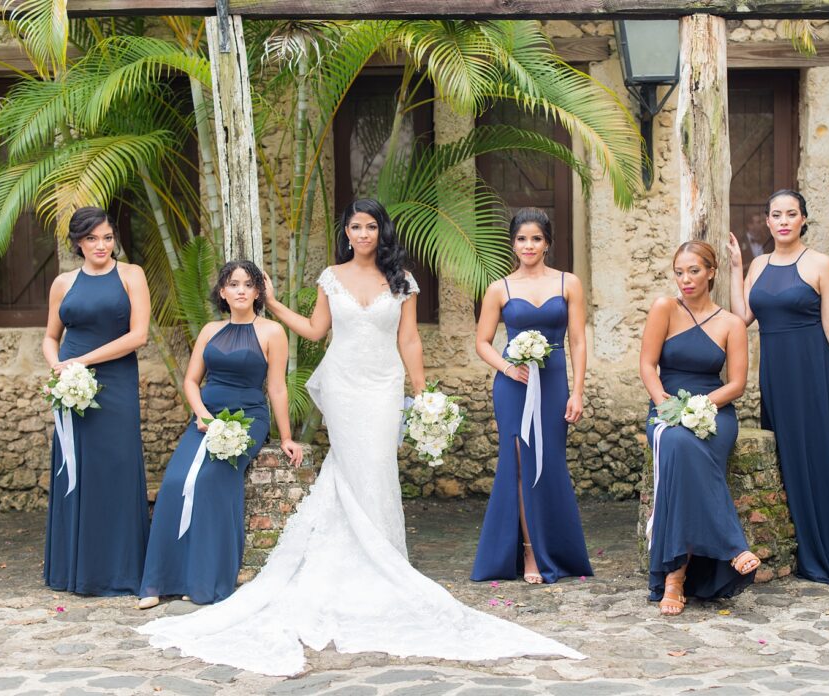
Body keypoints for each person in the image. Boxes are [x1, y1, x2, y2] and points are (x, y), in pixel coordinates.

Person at [138, 199, 583, 676]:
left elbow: (409, 339)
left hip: (384, 384)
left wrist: (422, 393)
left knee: (379, 468)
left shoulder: (402, 280)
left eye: (371, 226)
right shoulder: (331, 276)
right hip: (345, 383)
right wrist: (271, 303)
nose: (364, 234)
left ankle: (385, 560)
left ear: (381, 231)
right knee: (351, 468)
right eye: (356, 226)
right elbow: (314, 330)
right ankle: (352, 561)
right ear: (346, 232)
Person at [137, 261, 303, 609]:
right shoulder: (210, 330)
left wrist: (286, 436)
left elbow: (276, 388)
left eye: (248, 284)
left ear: (258, 292)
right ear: (222, 293)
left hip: (246, 421)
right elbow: (190, 381)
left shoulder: (272, 332)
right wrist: (202, 415)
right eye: (233, 284)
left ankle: (201, 580)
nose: (241, 290)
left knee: (211, 479)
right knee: (175, 482)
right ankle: (160, 579)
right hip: (204, 419)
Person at [728, 189, 829, 584]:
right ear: (768, 220)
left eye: (791, 214)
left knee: (819, 458)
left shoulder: (821, 264)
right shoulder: (758, 265)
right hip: (776, 376)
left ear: (804, 219)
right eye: (776, 214)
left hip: (814, 373)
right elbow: (741, 318)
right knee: (788, 460)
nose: (783, 221)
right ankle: (798, 546)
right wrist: (736, 267)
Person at [471, 207, 592, 585]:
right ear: (513, 243)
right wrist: (508, 369)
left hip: (554, 382)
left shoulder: (568, 283)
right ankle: (529, 553)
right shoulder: (499, 288)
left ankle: (557, 548)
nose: (529, 245)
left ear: (548, 243)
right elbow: (482, 342)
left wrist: (578, 391)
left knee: (550, 462)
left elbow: (577, 340)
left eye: (536, 238)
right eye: (522, 238)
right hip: (514, 384)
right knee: (520, 463)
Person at [639, 241, 759, 616]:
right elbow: (646, 364)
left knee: (686, 448)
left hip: (714, 410)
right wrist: (663, 403)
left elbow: (737, 383)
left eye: (693, 271)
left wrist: (705, 405)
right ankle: (729, 547)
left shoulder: (731, 323)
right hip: (667, 406)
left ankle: (676, 578)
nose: (685, 279)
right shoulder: (665, 308)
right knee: (675, 442)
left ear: (711, 272)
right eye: (679, 271)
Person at [41, 206, 150, 596]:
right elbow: (51, 336)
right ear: (78, 243)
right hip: (71, 386)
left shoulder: (131, 275)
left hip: (116, 382)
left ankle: (120, 571)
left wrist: (82, 362)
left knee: (116, 468)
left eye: (106, 237)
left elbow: (139, 335)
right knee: (76, 470)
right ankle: (75, 571)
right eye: (91, 239)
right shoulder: (62, 283)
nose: (101, 245)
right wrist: (60, 369)